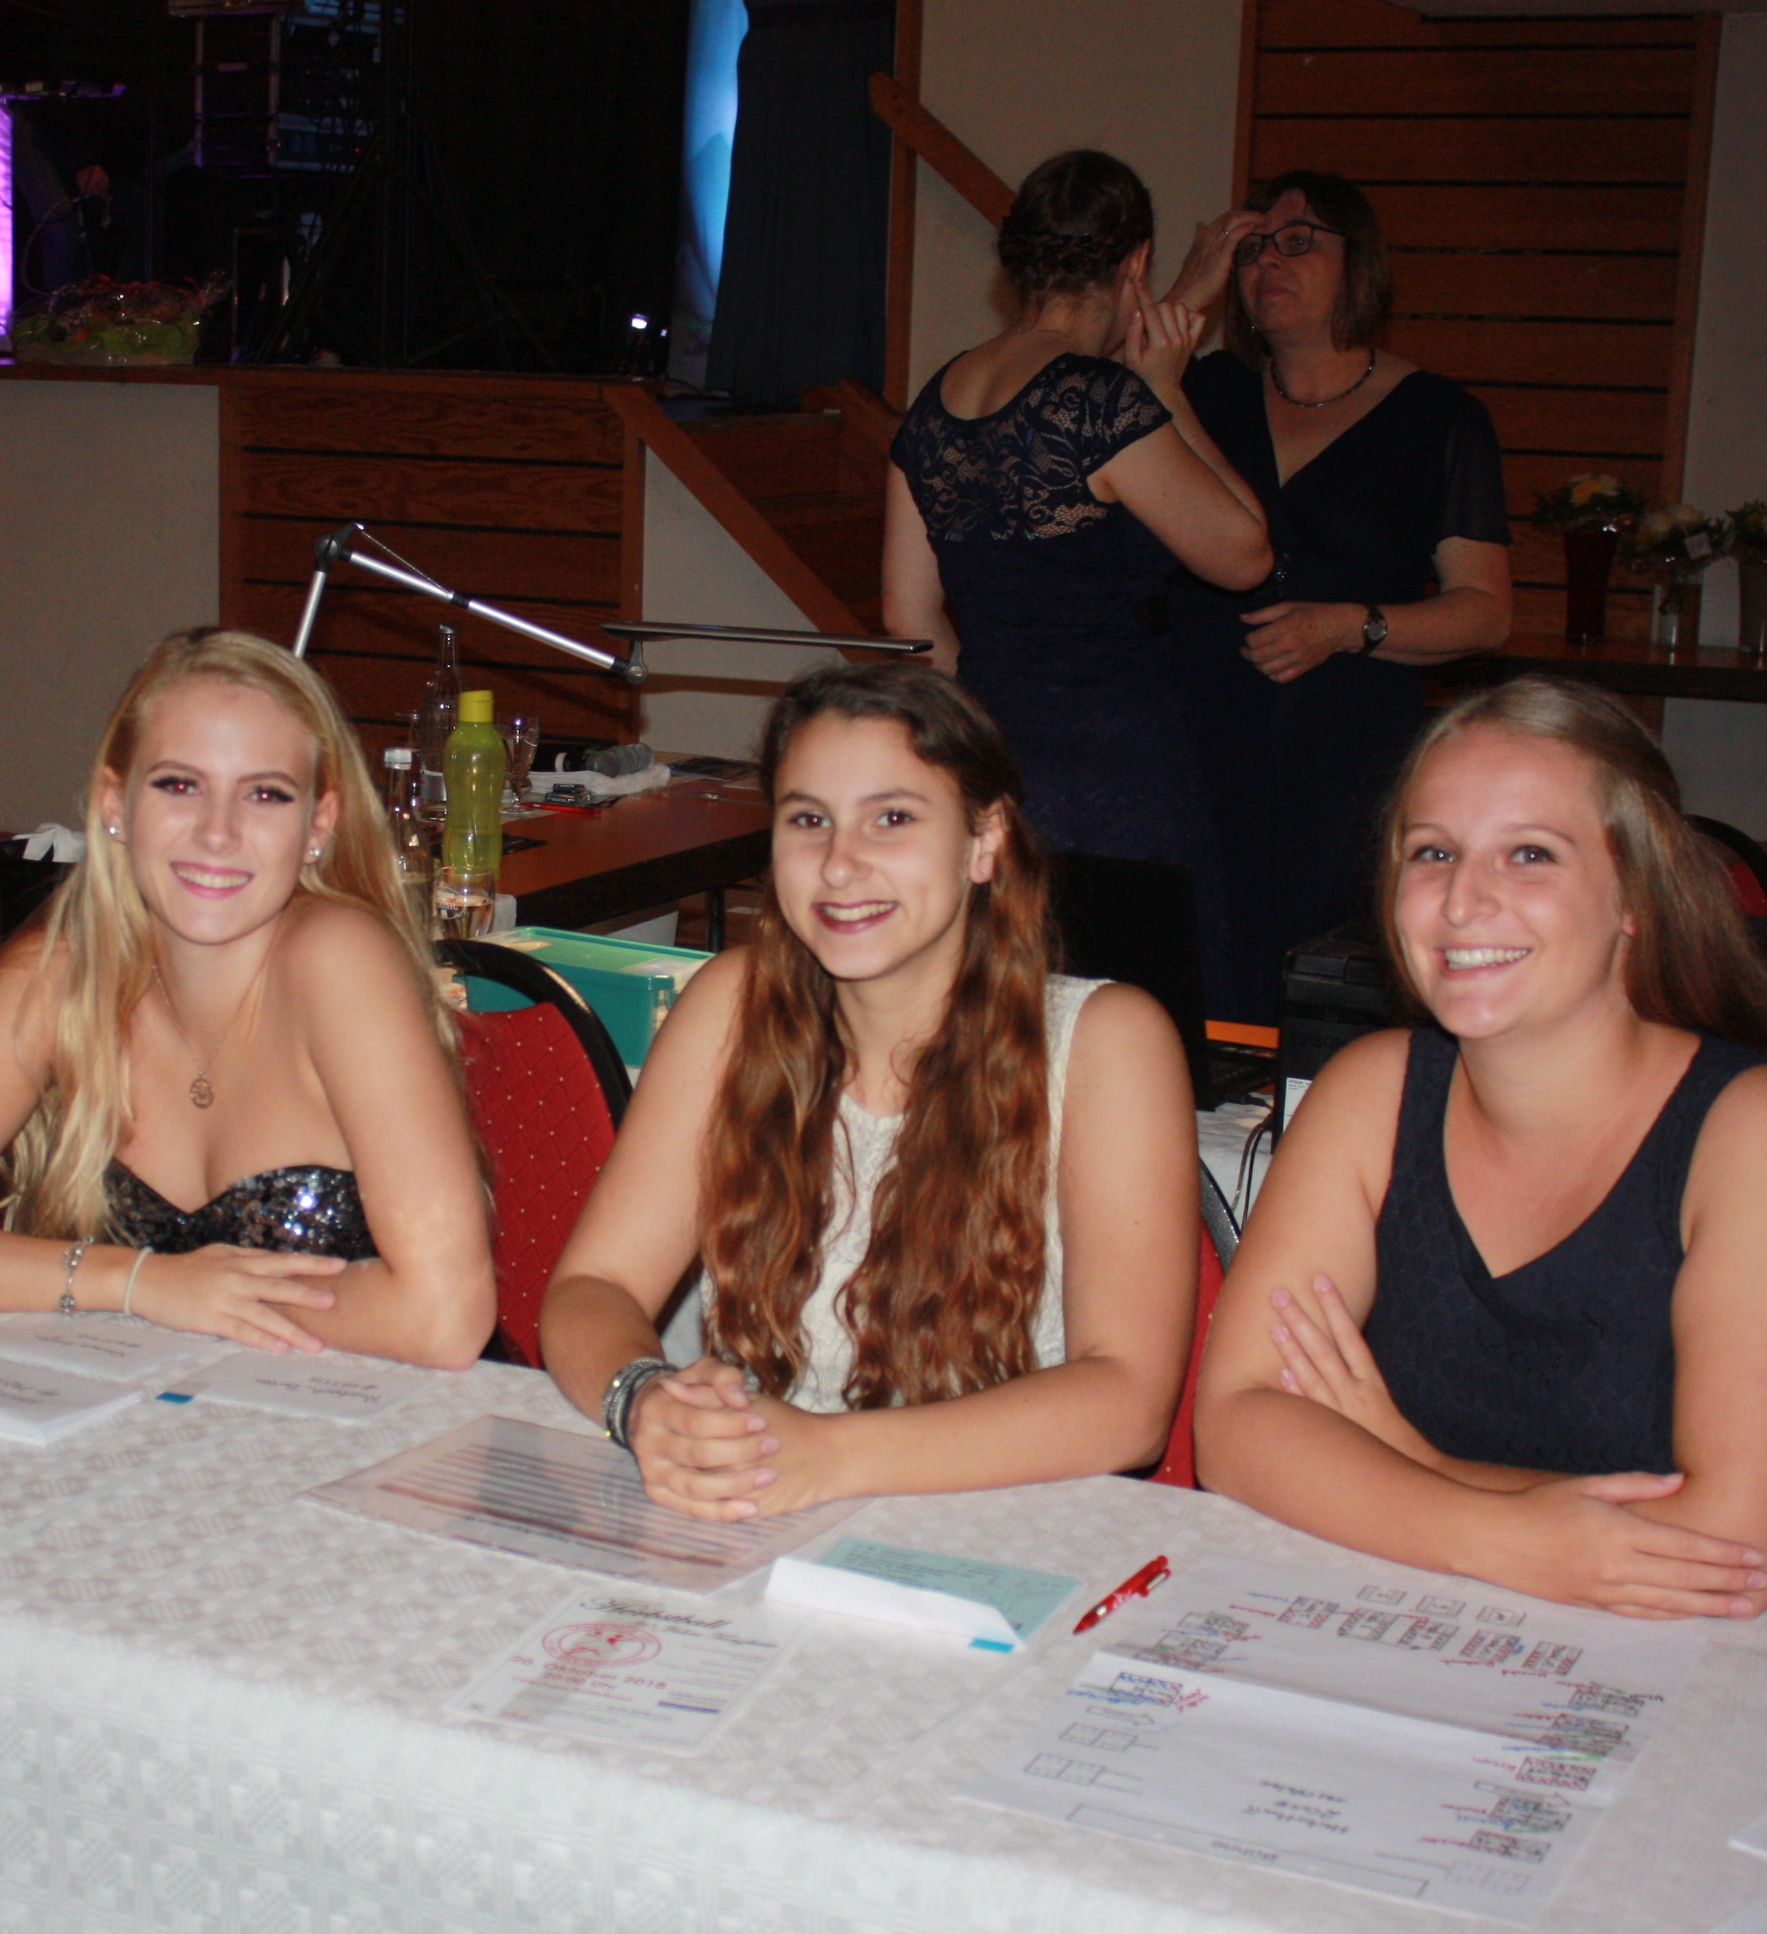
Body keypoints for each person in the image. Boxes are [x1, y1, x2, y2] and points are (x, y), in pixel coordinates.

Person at [0, 627, 496, 1934]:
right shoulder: (67, 963)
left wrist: (178, 1303)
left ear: (321, 822)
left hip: (343, 1486)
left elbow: (445, 1314)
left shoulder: (338, 956)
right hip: (137, 1442)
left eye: (265, 795)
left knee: (133, 1726)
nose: (219, 832)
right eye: (181, 785)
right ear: (112, 803)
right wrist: (138, 1284)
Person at [1193, 678, 1767, 1623]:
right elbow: (1237, 1428)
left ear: (1635, 895)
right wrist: (1499, 1535)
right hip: (1470, 1619)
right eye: (1433, 852)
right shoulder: (1370, 1093)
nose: (1463, 900)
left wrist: (1414, 1465)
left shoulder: (1763, 1131)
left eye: (1530, 854)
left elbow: (1733, 1551)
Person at [540, 662, 1200, 1516]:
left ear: (984, 840)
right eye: (809, 819)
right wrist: (643, 1399)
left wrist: (831, 1456)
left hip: (999, 1520)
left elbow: (1129, 1401)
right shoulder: (731, 1008)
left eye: (892, 818)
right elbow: (593, 1287)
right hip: (763, 1506)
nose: (840, 865)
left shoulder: (1106, 1040)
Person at [883, 148, 1273, 1003]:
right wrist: (1167, 388)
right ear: (1135, 262)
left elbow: (909, 620)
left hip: (994, 757)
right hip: (1121, 765)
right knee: (1133, 1012)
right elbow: (1246, 553)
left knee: (1008, 1013)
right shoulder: (1100, 402)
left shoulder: (937, 401)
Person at [1162, 170, 1515, 1024]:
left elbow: (1485, 610)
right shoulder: (1205, 390)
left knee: (1325, 992)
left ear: (1360, 263)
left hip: (1345, 750)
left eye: (1298, 242)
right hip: (1199, 736)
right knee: (1189, 978)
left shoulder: (1437, 416)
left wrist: (1353, 626)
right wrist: (1185, 294)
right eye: (1252, 249)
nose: (1269, 264)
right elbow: (1087, 415)